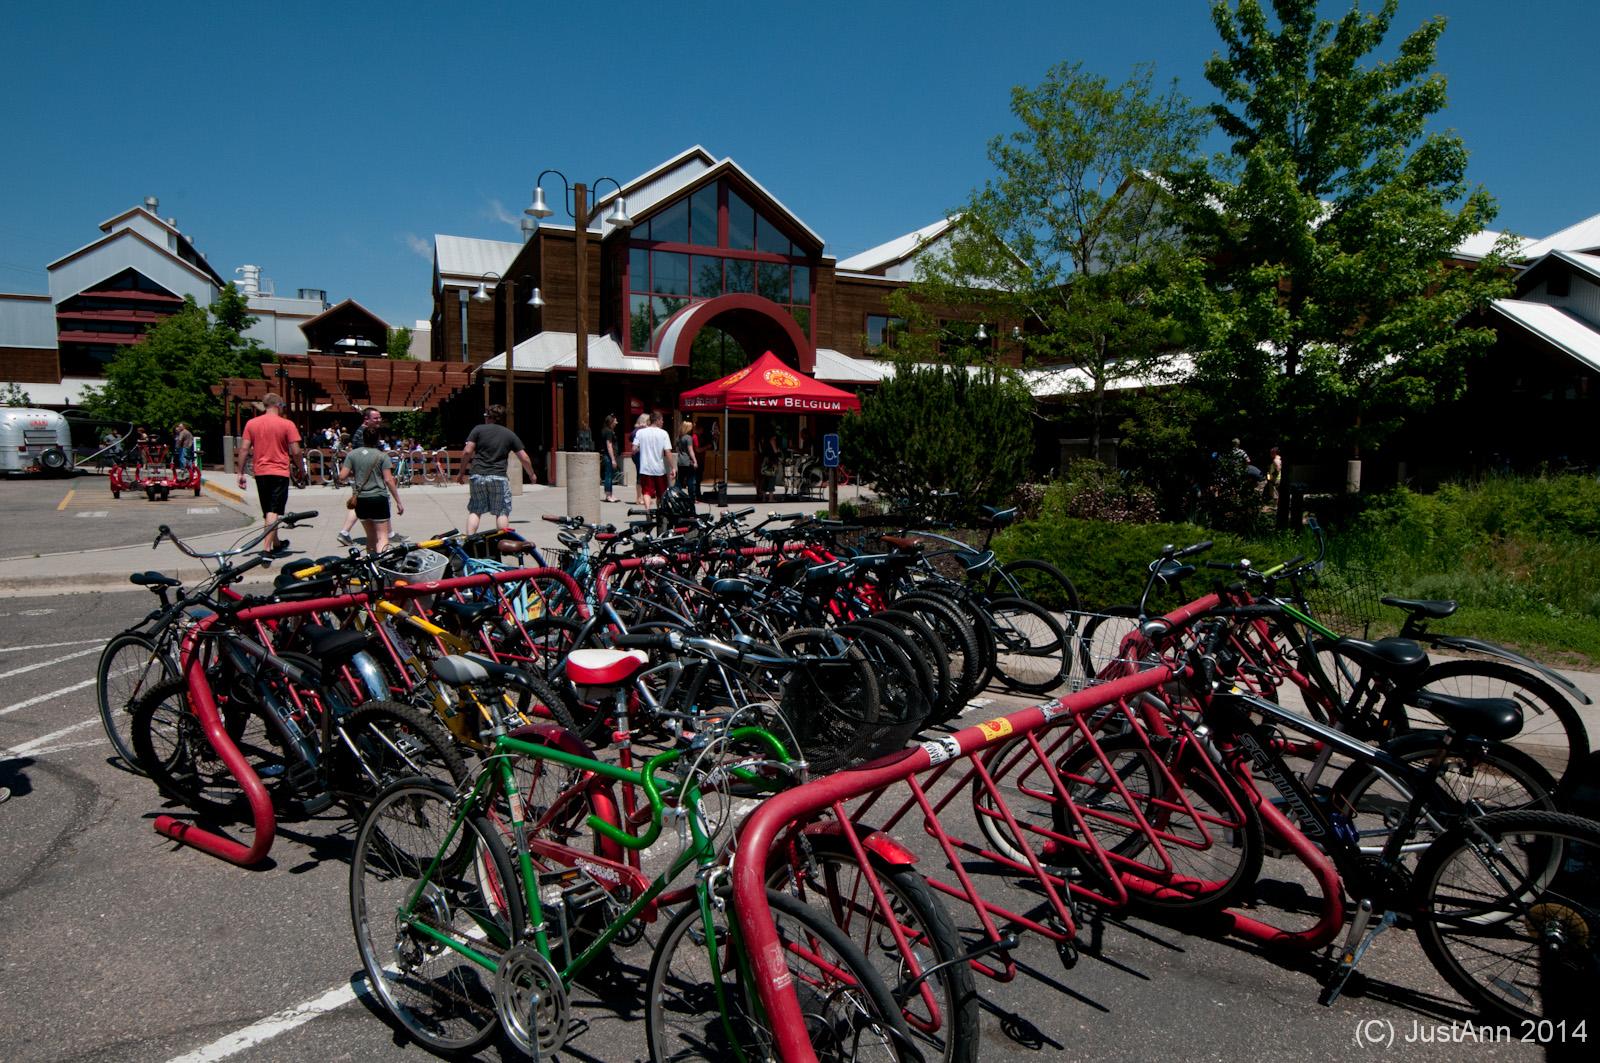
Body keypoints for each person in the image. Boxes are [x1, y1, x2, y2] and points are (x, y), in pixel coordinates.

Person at [235, 392, 302, 556]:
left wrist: (240, 472)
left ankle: (277, 542)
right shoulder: (287, 424)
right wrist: (301, 469)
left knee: (268, 510)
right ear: (279, 405)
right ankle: (266, 548)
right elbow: (296, 451)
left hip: (260, 472)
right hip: (279, 471)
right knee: (274, 510)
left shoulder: (252, 423)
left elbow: (244, 449)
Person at [456, 404, 537, 534]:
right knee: (502, 511)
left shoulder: (478, 430)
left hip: (477, 475)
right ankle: (502, 542)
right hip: (498, 476)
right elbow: (524, 457)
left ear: (488, 416)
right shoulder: (509, 434)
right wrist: (531, 474)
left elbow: (467, 451)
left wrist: (461, 473)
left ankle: (469, 541)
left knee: (475, 510)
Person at [340, 437, 404, 552]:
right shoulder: (382, 456)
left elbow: (342, 477)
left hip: (361, 499)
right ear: (377, 441)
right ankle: (381, 564)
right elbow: (389, 480)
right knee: (382, 536)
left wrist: (357, 472)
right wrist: (398, 502)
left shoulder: (352, 455)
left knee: (371, 537)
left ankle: (371, 565)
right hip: (378, 498)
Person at [338, 409, 386, 546]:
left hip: (363, 477)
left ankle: (345, 532)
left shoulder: (363, 432)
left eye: (379, 417)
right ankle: (385, 535)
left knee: (359, 503)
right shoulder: (363, 433)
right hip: (367, 478)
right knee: (376, 504)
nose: (379, 420)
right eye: (375, 418)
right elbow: (363, 455)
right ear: (366, 419)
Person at [634, 412, 673, 510]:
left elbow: (634, 448)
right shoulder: (664, 433)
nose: (663, 422)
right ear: (657, 420)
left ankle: (647, 510)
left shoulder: (640, 432)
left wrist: (642, 448)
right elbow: (667, 451)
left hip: (645, 468)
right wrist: (673, 467)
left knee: (646, 492)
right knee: (661, 492)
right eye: (662, 420)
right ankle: (659, 510)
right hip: (659, 469)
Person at [675, 418, 699, 502]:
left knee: (680, 480)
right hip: (688, 462)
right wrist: (695, 461)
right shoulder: (688, 438)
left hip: (680, 461)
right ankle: (692, 498)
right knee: (691, 480)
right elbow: (691, 450)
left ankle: (676, 494)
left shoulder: (679, 438)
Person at [600, 413, 620, 503]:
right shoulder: (608, 431)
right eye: (615, 421)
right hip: (608, 457)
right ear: (611, 421)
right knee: (608, 476)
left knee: (610, 475)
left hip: (608, 456)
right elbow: (609, 445)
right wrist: (613, 459)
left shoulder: (606, 430)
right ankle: (608, 495)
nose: (617, 422)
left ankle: (610, 494)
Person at [630, 412, 649, 505]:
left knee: (641, 476)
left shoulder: (636, 430)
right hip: (639, 455)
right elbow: (635, 445)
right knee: (640, 476)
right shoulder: (638, 431)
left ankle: (641, 497)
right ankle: (639, 498)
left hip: (638, 455)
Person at [758, 430, 782, 502]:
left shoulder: (763, 441)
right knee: (771, 479)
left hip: (765, 461)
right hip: (772, 461)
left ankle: (764, 498)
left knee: (765, 479)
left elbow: (761, 451)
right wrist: (778, 453)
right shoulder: (772, 440)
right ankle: (771, 498)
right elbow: (775, 451)